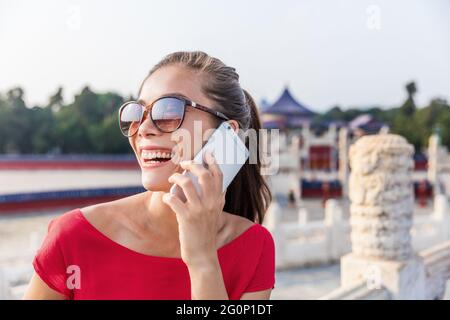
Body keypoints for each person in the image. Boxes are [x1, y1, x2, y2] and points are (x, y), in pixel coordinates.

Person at [23, 51, 275, 300]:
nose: (143, 128)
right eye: (137, 113)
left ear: (225, 135)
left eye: (168, 111)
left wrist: (203, 261)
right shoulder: (74, 237)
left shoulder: (254, 247)